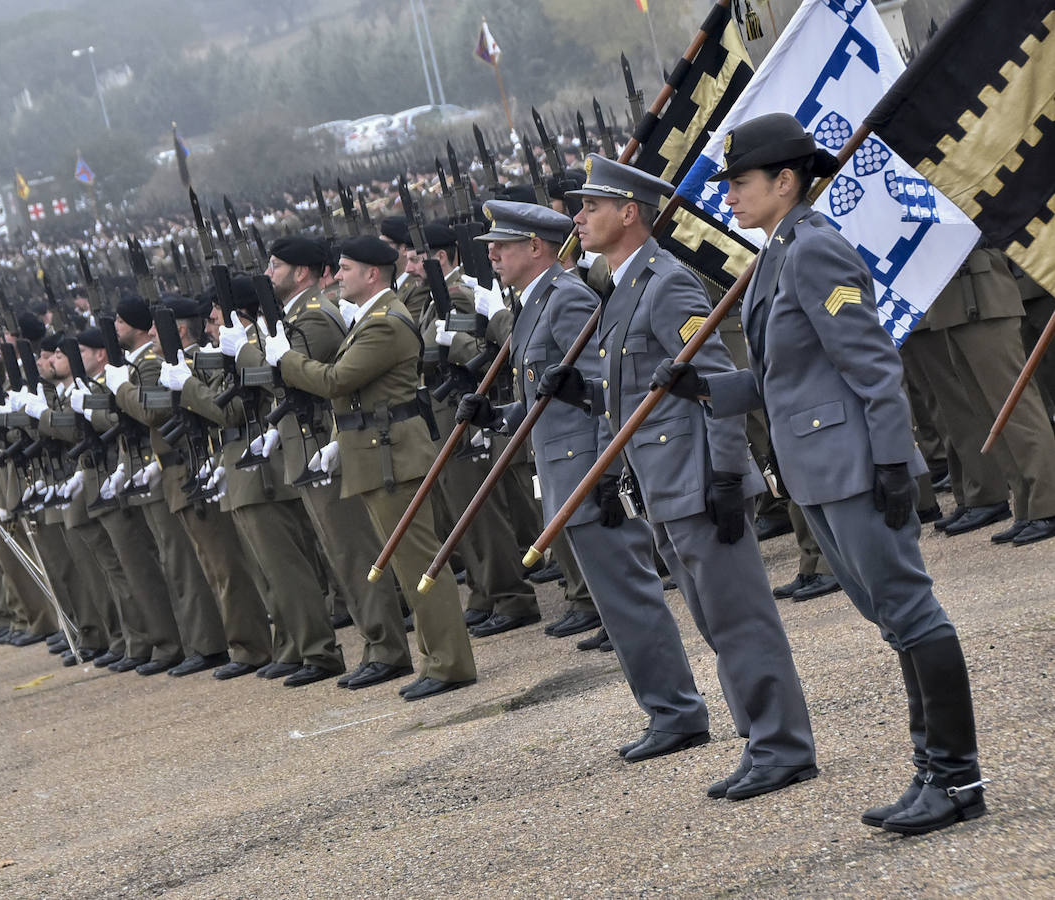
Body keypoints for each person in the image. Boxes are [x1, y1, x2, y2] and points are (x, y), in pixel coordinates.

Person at [653, 112, 986, 834]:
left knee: (911, 613)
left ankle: (957, 777)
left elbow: (872, 366)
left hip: (855, 467)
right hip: (820, 471)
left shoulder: (813, 250)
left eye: (740, 182)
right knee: (893, 621)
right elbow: (789, 376)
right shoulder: (778, 252)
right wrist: (708, 389)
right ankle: (932, 770)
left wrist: (894, 463)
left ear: (785, 180)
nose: (728, 197)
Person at [547, 154, 817, 799]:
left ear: (628, 213)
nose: (579, 218)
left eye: (591, 206)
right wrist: (584, 395)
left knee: (741, 621)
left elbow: (714, 383)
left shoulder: (666, 283)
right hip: (663, 484)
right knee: (717, 625)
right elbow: (641, 392)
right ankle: (761, 741)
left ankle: (783, 746)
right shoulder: (623, 287)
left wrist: (726, 473)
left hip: (698, 479)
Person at [455, 199, 710, 758]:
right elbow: (549, 401)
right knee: (617, 605)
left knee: (629, 600)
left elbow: (605, 394)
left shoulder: (566, 298)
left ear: (536, 247)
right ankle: (667, 711)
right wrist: (496, 418)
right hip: (567, 472)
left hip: (588, 475)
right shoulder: (535, 302)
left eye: (503, 245)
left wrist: (608, 473)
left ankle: (677, 712)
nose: (492, 255)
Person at [266, 235, 477, 701]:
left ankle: (450, 663)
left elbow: (337, 380)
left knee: (421, 564)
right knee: (408, 566)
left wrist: (287, 360)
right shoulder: (372, 318)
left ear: (372, 273)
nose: (337, 276)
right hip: (379, 453)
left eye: (345, 269)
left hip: (392, 456)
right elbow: (357, 394)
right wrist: (338, 440)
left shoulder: (384, 322)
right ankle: (436, 659)